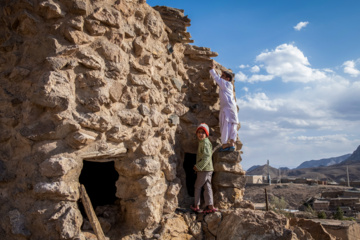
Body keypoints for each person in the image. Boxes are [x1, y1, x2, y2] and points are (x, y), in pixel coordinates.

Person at [209, 61, 239, 152]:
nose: (221, 77)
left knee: (225, 124)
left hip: (226, 107)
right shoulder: (228, 85)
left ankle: (225, 144)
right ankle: (232, 143)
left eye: (223, 76)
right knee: (232, 124)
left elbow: (216, 78)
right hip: (232, 107)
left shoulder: (225, 84)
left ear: (227, 78)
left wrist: (212, 69)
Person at [191, 123, 217, 213]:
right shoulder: (204, 142)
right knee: (207, 187)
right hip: (208, 168)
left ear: (206, 134)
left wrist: (198, 166)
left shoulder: (205, 142)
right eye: (199, 132)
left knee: (197, 186)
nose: (200, 134)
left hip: (204, 169)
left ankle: (196, 205)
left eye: (203, 132)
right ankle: (210, 205)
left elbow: (206, 156)